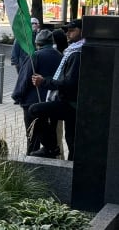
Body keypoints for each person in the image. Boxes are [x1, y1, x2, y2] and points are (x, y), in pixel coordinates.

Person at [28, 19, 84, 160]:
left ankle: (51, 148)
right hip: (70, 101)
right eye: (67, 31)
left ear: (83, 32)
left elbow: (69, 82)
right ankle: (54, 150)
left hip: (71, 103)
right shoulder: (72, 51)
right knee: (72, 140)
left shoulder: (77, 53)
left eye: (72, 31)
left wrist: (44, 82)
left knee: (35, 110)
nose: (68, 33)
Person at [11, 29, 62, 155]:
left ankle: (32, 163)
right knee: (50, 133)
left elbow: (24, 79)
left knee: (32, 136)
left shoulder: (36, 56)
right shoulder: (60, 56)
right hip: (53, 102)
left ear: (38, 43)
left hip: (32, 102)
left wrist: (17, 96)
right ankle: (49, 158)